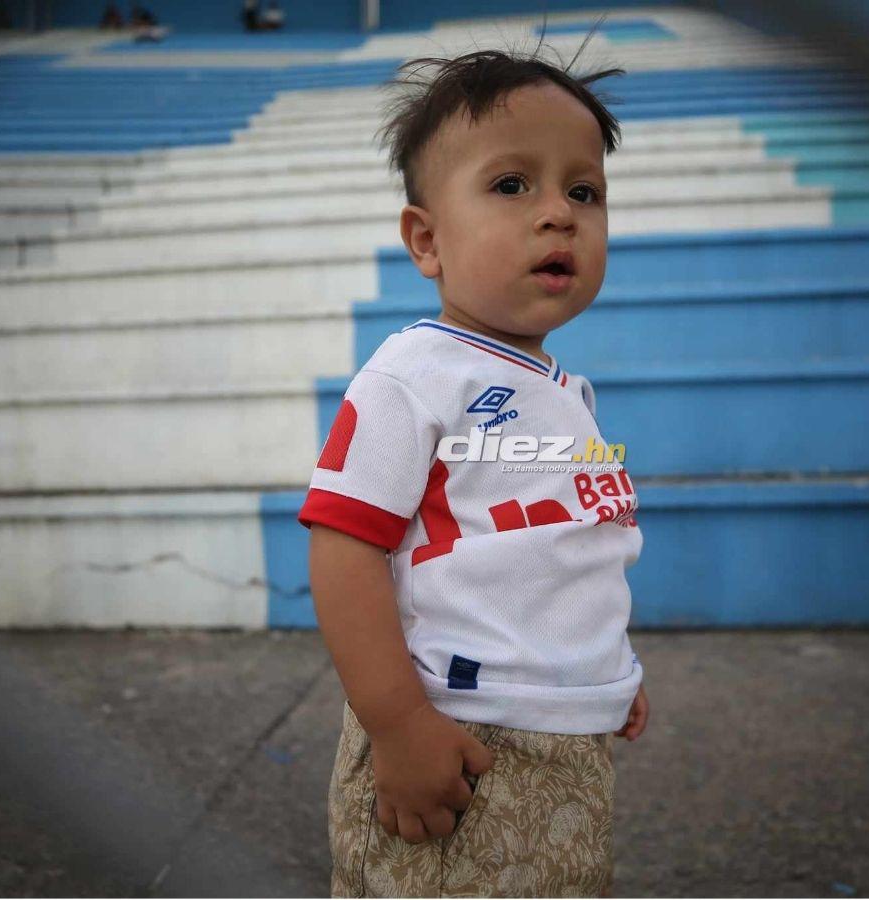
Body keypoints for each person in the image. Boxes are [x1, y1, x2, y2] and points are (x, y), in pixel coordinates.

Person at [298, 36, 650, 898]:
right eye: (510, 185)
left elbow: (567, 547)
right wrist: (399, 724)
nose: (559, 213)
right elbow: (343, 548)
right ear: (428, 241)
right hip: (457, 738)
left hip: (565, 738)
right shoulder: (414, 375)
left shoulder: (567, 390)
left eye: (584, 191)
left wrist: (600, 668)